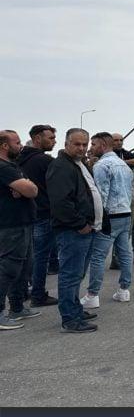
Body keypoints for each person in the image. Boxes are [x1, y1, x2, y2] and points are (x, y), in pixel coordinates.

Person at [46, 128, 101, 333]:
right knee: (70, 275)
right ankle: (70, 319)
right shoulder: (61, 167)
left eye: (84, 144)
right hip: (73, 231)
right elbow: (61, 203)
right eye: (76, 144)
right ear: (66, 144)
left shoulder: (78, 164)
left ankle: (75, 310)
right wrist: (80, 224)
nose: (81, 148)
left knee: (77, 274)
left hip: (86, 228)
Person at [81, 132, 134, 308]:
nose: (90, 148)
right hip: (125, 213)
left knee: (98, 256)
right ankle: (124, 290)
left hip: (109, 216)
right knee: (125, 253)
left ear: (103, 145)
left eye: (93, 144)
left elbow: (100, 194)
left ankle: (92, 294)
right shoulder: (124, 165)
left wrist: (94, 219)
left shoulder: (101, 166)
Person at [0, 130, 41, 329]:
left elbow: (29, 188)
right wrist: (25, 188)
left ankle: (17, 307)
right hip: (11, 225)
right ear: (4, 146)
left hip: (23, 222)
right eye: (16, 143)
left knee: (24, 267)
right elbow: (31, 190)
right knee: (9, 268)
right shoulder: (3, 167)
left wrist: (24, 187)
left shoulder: (12, 166)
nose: (21, 146)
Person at [16, 124, 58, 307]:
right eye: (51, 138)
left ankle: (21, 292)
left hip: (25, 214)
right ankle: (38, 294)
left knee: (26, 257)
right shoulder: (45, 161)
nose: (54, 141)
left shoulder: (17, 159)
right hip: (44, 213)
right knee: (41, 257)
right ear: (37, 139)